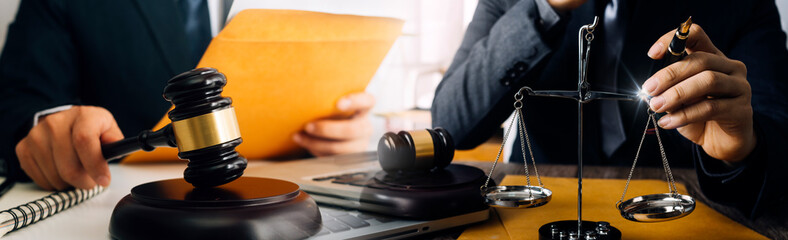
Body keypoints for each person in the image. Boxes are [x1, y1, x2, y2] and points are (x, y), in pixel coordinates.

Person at [432, 0, 788, 219]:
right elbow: (451, 124)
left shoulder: (741, 5)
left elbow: (778, 138)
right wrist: (546, 7)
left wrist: (741, 151)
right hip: (544, 209)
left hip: (676, 206)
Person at [0, 0, 374, 191]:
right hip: (133, 203)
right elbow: (16, 102)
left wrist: (338, 128)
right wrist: (49, 127)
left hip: (292, 191)